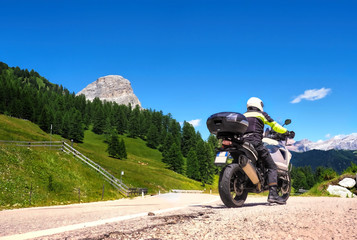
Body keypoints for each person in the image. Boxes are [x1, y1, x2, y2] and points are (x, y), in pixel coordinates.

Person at [243, 97, 293, 204]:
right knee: (271, 166)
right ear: (259, 105)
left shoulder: (243, 116)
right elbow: (274, 125)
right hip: (255, 143)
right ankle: (273, 194)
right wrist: (286, 132)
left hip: (243, 144)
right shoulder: (262, 114)